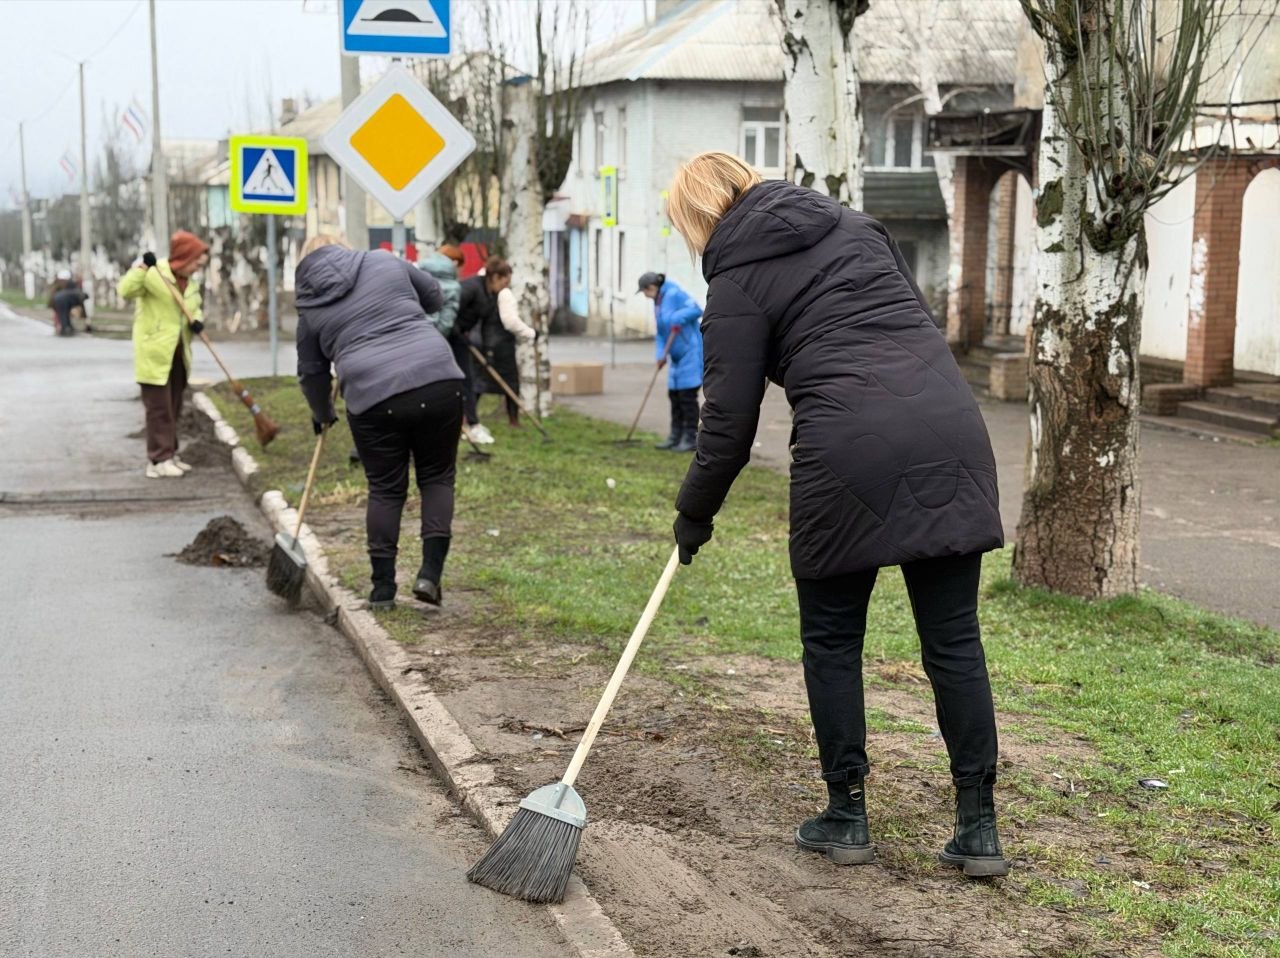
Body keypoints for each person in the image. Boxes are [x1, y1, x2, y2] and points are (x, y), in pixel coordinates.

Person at [665, 152, 1008, 877]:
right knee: (953, 640)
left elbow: (725, 428)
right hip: (949, 430)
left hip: (844, 451)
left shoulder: (734, 282)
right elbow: (911, 326)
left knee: (832, 640)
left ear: (700, 219)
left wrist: (693, 515)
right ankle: (979, 827)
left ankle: (847, 816)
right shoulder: (859, 227)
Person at [294, 234, 464, 611]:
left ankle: (383, 590)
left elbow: (311, 374)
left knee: (386, 489)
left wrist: (323, 414)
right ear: (343, 247)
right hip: (438, 378)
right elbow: (434, 296)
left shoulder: (308, 309)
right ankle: (430, 575)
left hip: (374, 398)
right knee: (437, 477)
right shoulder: (384, 262)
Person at [118, 230, 209, 479]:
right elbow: (125, 290)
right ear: (183, 258)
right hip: (154, 353)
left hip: (179, 354)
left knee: (175, 406)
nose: (196, 269)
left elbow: (194, 308)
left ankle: (171, 454)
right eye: (195, 263)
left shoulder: (190, 283)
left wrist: (197, 321)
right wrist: (140, 268)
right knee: (159, 410)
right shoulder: (155, 273)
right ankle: (158, 459)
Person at [421, 244, 490, 444]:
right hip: (444, 341)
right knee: (460, 381)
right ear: (453, 263)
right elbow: (446, 321)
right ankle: (461, 424)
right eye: (459, 266)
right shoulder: (454, 286)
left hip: (415, 340)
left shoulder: (417, 275)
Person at [638, 271, 703, 452]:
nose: (644, 295)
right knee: (674, 396)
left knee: (687, 397)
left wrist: (678, 318)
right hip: (675, 356)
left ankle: (690, 438)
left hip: (690, 352)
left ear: (651, 288)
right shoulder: (657, 302)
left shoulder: (674, 293)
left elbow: (697, 309)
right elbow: (660, 333)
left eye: (644, 291)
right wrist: (660, 355)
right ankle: (675, 436)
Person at [468, 257, 536, 428]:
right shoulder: (503, 294)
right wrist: (531, 333)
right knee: (510, 383)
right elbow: (510, 321)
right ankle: (513, 421)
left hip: (480, 343)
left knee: (477, 383)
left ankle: (468, 419)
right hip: (500, 345)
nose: (507, 284)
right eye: (506, 279)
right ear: (498, 276)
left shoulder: (482, 289)